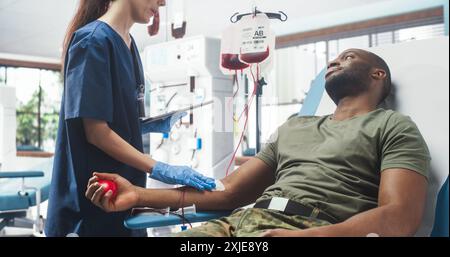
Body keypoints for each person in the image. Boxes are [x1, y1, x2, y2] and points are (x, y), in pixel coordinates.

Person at [85, 48, 430, 237]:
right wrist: (138, 194)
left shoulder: (394, 126)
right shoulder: (295, 127)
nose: (333, 61)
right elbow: (230, 193)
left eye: (347, 58)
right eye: (333, 58)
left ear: (377, 75)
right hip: (240, 224)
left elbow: (400, 217)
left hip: (312, 228)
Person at [46, 0, 216, 237]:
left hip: (124, 198)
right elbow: (96, 132)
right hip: (90, 206)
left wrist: (143, 125)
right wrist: (159, 168)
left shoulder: (129, 43)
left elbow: (115, 115)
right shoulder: (92, 41)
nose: (163, 2)